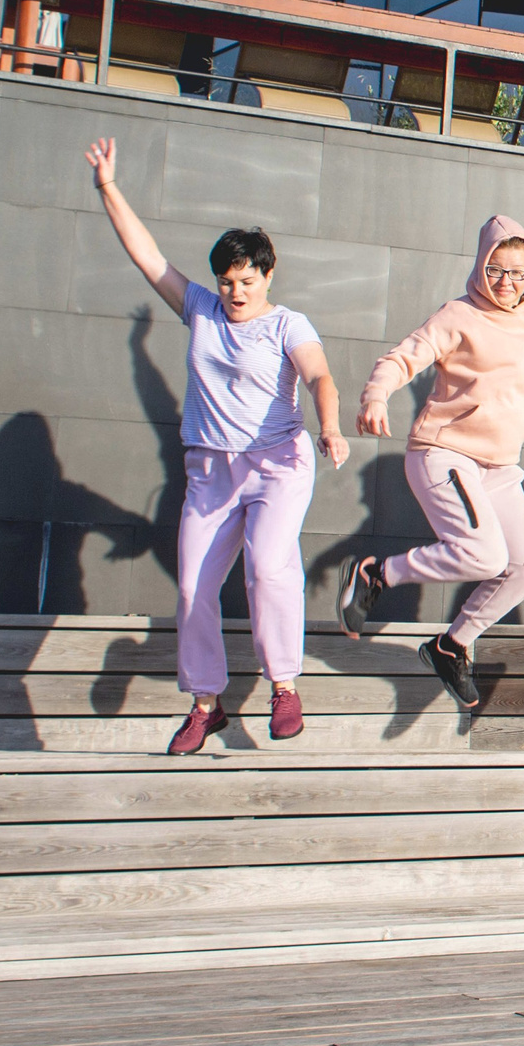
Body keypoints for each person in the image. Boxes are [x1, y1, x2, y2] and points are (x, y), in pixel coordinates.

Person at [84, 138, 348, 755]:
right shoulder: (199, 310)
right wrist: (107, 186)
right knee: (192, 588)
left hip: (278, 464)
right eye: (227, 282)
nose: (236, 293)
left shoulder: (288, 324)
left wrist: (330, 425)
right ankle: (207, 704)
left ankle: (284, 686)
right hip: (210, 471)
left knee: (267, 568)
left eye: (247, 280)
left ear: (268, 275)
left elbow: (319, 377)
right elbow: (147, 257)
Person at [336, 220, 524, 708]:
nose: (506, 282)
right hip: (444, 453)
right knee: (485, 555)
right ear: (481, 267)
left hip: (499, 469)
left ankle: (452, 645)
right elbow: (405, 357)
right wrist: (377, 396)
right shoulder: (458, 315)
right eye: (496, 270)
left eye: (517, 274)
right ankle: (376, 574)